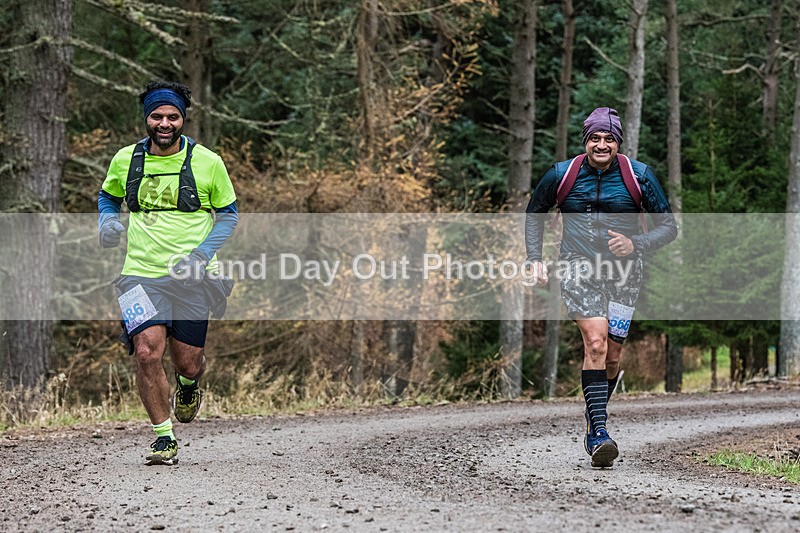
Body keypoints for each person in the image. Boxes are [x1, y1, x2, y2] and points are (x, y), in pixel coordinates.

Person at [525, 107, 677, 467]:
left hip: (625, 273)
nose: (602, 144)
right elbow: (535, 214)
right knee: (594, 341)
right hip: (578, 267)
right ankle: (600, 434)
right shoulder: (561, 175)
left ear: (618, 143)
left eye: (609, 138)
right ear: (586, 141)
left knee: (611, 356)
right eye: (595, 137)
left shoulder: (639, 176)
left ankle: (593, 423)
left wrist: (635, 244)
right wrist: (535, 258)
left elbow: (668, 227)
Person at [98, 81, 239, 465]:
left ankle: (189, 386)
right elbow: (108, 197)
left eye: (172, 116)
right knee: (146, 352)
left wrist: (201, 254)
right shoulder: (125, 159)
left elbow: (229, 215)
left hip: (193, 277)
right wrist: (107, 222)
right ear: (146, 118)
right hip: (138, 274)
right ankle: (163, 437)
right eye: (157, 116)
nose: (164, 123)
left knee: (187, 361)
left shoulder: (207, 161)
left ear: (182, 119)